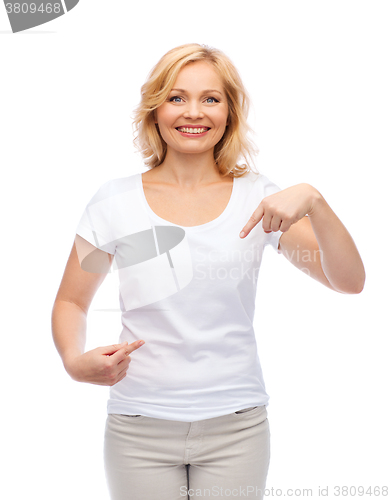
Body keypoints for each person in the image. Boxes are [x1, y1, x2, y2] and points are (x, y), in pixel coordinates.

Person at [51, 43, 365, 500]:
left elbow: (349, 281)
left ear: (229, 112)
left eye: (210, 98)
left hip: (236, 427)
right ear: (155, 110)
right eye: (176, 97)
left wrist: (316, 202)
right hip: (139, 426)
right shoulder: (114, 202)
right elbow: (71, 300)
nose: (192, 112)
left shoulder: (258, 199)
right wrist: (72, 360)